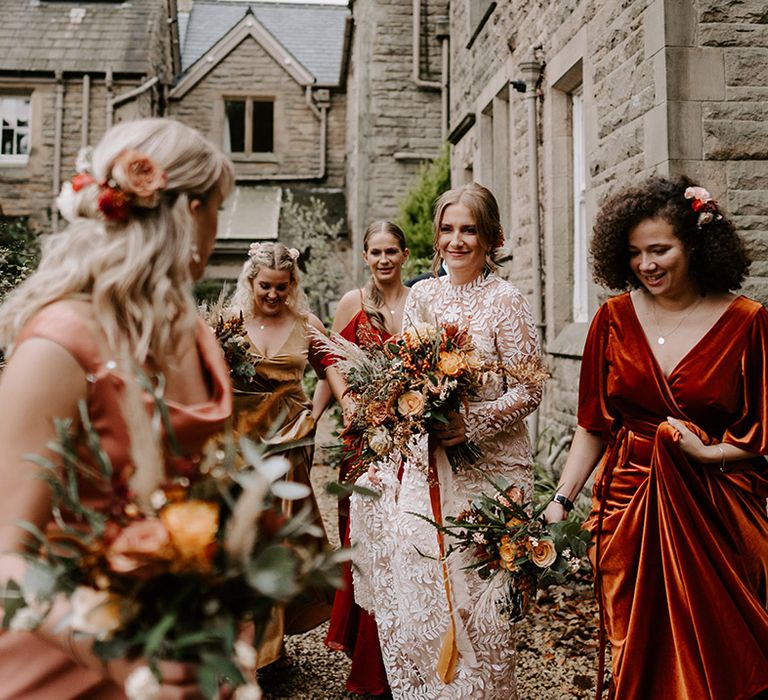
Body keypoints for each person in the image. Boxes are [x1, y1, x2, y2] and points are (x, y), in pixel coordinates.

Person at [0, 118, 234, 699]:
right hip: (68, 663)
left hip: (189, 656)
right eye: (218, 211)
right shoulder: (59, 344)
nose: (218, 230)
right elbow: (4, 557)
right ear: (190, 212)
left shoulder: (194, 333)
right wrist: (122, 651)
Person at [544, 176, 768, 699]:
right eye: (635, 253)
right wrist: (560, 500)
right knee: (636, 650)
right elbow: (593, 424)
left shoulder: (748, 322)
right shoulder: (612, 320)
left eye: (660, 249)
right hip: (630, 503)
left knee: (723, 655)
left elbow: (763, 429)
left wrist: (711, 452)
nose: (647, 264)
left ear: (694, 244)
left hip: (718, 507)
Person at [350, 183, 542, 699]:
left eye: (469, 230)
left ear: (490, 236)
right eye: (448, 229)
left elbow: (528, 389)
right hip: (426, 465)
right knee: (421, 606)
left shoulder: (507, 301)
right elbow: (407, 374)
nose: (457, 241)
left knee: (479, 612)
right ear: (436, 237)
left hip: (488, 471)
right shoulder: (423, 296)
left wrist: (471, 423)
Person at [226, 241, 331, 667]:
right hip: (241, 444)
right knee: (244, 541)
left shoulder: (307, 324)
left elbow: (333, 371)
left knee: (282, 541)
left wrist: (314, 413)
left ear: (293, 284)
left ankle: (271, 645)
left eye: (282, 287)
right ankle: (256, 648)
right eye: (265, 286)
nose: (273, 295)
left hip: (290, 444)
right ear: (250, 282)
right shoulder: (231, 324)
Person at [323, 221, 410, 697]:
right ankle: (369, 656)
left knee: (402, 543)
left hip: (408, 437)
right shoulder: (351, 303)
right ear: (364, 255)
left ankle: (405, 650)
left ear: (405, 254)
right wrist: (342, 404)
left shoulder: (420, 303)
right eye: (375, 251)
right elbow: (330, 359)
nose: (383, 259)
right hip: (363, 440)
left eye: (391, 251)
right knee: (364, 542)